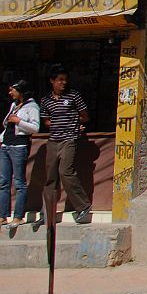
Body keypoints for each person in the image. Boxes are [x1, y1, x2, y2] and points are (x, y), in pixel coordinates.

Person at [39, 68, 91, 224]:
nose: (63, 83)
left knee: (65, 172)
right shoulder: (45, 100)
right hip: (53, 140)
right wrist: (55, 124)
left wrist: (74, 124)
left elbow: (85, 116)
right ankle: (46, 213)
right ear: (52, 81)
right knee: (50, 177)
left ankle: (83, 206)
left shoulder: (73, 96)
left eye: (65, 79)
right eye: (60, 79)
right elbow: (46, 121)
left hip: (69, 140)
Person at [0, 80, 39, 226]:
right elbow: (7, 125)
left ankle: (18, 216)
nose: (10, 93)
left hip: (19, 146)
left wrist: (19, 121)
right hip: (6, 145)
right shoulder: (14, 105)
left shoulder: (32, 106)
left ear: (21, 90)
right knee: (3, 182)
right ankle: (3, 215)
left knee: (19, 182)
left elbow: (35, 128)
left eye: (13, 90)